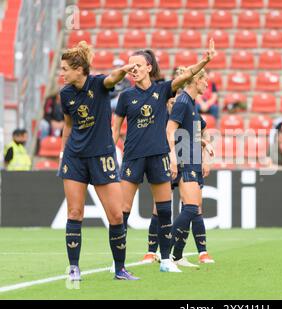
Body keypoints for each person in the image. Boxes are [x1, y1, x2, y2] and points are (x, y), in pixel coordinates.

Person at [112, 40, 217, 272]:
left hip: (159, 157)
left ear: (149, 67)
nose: (133, 69)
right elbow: (115, 129)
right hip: (133, 158)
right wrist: (120, 148)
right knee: (122, 211)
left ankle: (167, 259)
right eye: (130, 66)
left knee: (164, 209)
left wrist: (205, 60)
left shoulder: (162, 90)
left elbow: (187, 74)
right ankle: (117, 262)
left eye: (138, 65)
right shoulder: (126, 97)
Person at [58, 41, 139, 281]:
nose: (62, 73)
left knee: (116, 215)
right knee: (75, 212)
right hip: (75, 158)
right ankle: (74, 268)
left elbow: (113, 78)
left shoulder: (98, 83)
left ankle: (120, 269)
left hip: (102, 156)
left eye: (65, 69)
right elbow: (68, 125)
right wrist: (63, 155)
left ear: (79, 69)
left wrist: (125, 70)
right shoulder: (65, 94)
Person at [167, 68, 215, 269]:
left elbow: (199, 132)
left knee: (193, 209)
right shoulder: (183, 102)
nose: (207, 85)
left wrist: (205, 146)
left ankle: (177, 256)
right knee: (191, 208)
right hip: (184, 160)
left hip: (193, 160)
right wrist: (172, 157)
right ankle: (165, 251)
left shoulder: (191, 105)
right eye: (205, 80)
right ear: (196, 81)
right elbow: (170, 130)